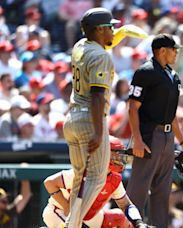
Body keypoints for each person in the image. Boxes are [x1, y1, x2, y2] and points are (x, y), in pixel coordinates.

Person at [62, 7, 120, 228]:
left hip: (72, 119)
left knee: (79, 178)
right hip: (90, 119)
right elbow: (97, 95)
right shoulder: (101, 56)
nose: (113, 31)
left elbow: (102, 43)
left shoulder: (79, 46)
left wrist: (118, 34)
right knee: (97, 178)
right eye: (110, 27)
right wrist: (98, 130)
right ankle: (72, 225)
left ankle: (71, 223)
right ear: (98, 30)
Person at [126, 33, 183, 228]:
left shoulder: (172, 75)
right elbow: (132, 108)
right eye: (174, 49)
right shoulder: (145, 72)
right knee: (138, 188)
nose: (177, 53)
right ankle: (129, 225)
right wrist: (137, 140)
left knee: (163, 189)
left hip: (168, 136)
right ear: (162, 51)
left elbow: (171, 114)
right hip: (149, 134)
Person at [42, 136, 150, 228]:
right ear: (102, 154)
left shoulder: (114, 178)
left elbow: (126, 205)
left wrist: (138, 223)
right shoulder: (83, 173)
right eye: (115, 153)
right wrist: (67, 207)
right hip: (58, 212)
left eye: (120, 153)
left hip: (87, 216)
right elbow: (50, 182)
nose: (119, 157)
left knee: (119, 218)